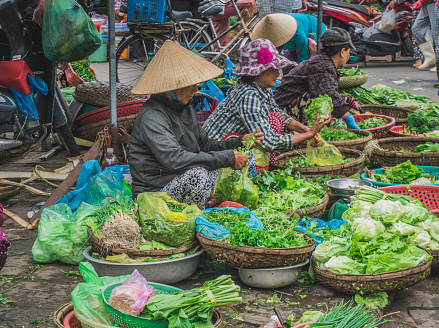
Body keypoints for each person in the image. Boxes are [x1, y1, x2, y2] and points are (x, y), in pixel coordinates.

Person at [129, 41, 263, 209]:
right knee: (198, 175)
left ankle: (216, 203)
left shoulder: (184, 106)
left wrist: (239, 142)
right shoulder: (152, 117)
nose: (195, 88)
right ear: (172, 86)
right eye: (190, 84)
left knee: (247, 156)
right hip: (155, 191)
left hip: (182, 175)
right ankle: (196, 219)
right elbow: (175, 159)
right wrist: (227, 157)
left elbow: (205, 144)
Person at [203, 39, 331, 164]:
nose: (277, 73)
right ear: (257, 72)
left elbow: (277, 112)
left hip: (233, 144)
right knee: (273, 121)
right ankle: (266, 167)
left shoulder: (262, 88)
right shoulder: (248, 95)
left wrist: (305, 130)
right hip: (215, 153)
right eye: (273, 68)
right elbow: (269, 142)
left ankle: (268, 164)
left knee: (276, 117)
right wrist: (309, 135)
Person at [273, 27, 362, 129]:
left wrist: (347, 100)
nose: (348, 55)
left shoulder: (322, 61)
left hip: (286, 106)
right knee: (324, 102)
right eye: (349, 52)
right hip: (283, 112)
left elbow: (327, 89)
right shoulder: (323, 66)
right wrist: (349, 118)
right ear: (342, 52)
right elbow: (328, 94)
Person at [251, 13, 327, 74]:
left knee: (305, 66)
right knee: (287, 67)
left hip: (313, 32)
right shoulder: (272, 31)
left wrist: (298, 76)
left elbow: (304, 56)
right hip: (295, 41)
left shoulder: (298, 33)